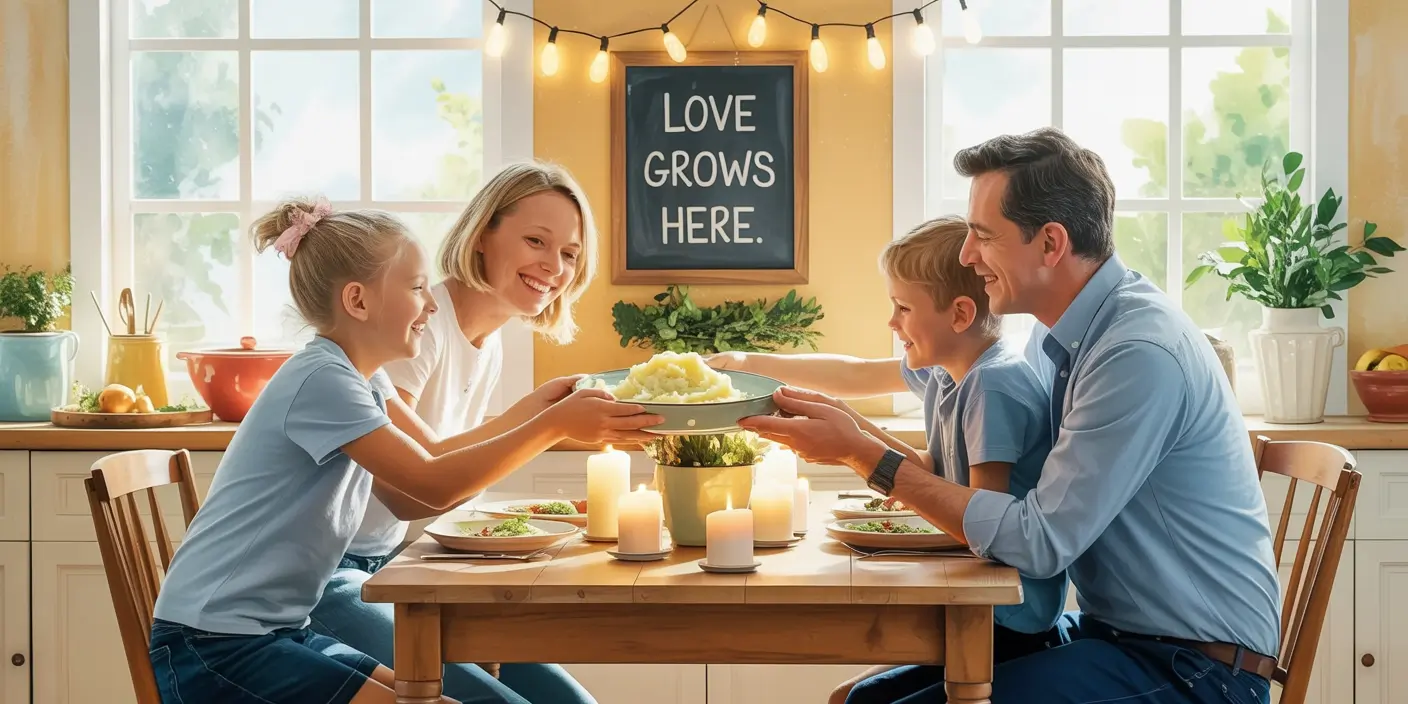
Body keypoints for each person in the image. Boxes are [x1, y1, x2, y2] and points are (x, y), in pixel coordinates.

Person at [739, 126, 1281, 704]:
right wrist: (854, 438)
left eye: (983, 236)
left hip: (1196, 667)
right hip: (1119, 638)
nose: (968, 256)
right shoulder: (1061, 346)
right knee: (862, 700)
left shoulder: (1134, 353)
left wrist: (865, 455)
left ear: (1050, 244)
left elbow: (1039, 540)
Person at [148, 197, 661, 704]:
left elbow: (412, 495)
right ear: (358, 301)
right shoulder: (323, 380)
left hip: (274, 632)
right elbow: (432, 482)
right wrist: (551, 427)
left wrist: (535, 412)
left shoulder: (363, 382)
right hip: (213, 644)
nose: (433, 304)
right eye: (417, 288)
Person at [710, 215, 1066, 704]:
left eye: (902, 307)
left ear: (959, 315)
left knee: (854, 698)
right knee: (848, 697)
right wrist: (755, 367)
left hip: (1007, 615)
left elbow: (982, 518)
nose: (892, 322)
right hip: (979, 601)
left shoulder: (993, 384)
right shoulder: (950, 371)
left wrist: (857, 449)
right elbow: (864, 387)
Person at [307, 162, 602, 704]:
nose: (553, 266)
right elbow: (412, 488)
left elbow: (450, 458)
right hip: (333, 581)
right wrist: (548, 423)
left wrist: (540, 416)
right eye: (536, 240)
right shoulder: (414, 326)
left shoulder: (488, 344)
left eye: (569, 254)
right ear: (482, 233)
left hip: (396, 570)